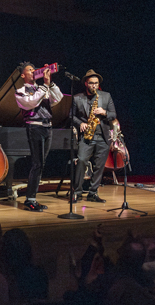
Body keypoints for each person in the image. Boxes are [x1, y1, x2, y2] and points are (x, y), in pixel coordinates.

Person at [14, 62, 62, 212]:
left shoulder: (42, 88)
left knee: (41, 164)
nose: (34, 72)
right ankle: (30, 200)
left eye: (34, 70)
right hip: (34, 127)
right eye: (30, 70)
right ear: (23, 75)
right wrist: (44, 86)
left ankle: (33, 198)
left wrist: (49, 83)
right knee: (37, 164)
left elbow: (58, 98)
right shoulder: (20, 91)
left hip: (48, 127)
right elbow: (32, 102)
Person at [70, 70, 117, 203]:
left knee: (99, 166)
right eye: (91, 83)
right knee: (81, 161)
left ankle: (93, 193)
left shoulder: (106, 96)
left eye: (96, 83)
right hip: (86, 137)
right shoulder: (77, 98)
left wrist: (104, 112)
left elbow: (113, 114)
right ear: (86, 83)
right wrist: (81, 123)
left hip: (102, 136)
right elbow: (71, 116)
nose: (94, 86)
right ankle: (77, 192)